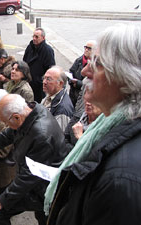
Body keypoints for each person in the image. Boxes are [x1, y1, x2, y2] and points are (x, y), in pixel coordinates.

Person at [45, 24, 141, 225]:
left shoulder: (120, 179)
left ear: (126, 76)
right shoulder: (112, 129)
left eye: (96, 63)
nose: (85, 71)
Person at [0, 94, 66, 225]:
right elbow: (6, 136)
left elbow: (29, 176)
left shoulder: (41, 135)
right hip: (35, 181)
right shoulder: (30, 112)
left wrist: (2, 200)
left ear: (16, 117)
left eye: (7, 122)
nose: (6, 126)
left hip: (43, 188)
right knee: (43, 217)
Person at [23, 27, 55, 103]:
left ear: (43, 38)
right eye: (33, 36)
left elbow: (50, 68)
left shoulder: (48, 50)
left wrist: (42, 80)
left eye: (36, 37)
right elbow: (24, 61)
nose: (34, 38)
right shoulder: (30, 47)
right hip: (28, 81)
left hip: (39, 85)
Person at [41, 66, 74, 132]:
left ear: (60, 83)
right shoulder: (50, 95)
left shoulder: (63, 108)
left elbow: (58, 136)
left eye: (48, 79)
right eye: (44, 78)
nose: (44, 82)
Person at [69, 40, 96, 107]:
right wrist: (71, 81)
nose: (86, 50)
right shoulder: (79, 60)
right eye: (85, 47)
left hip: (82, 98)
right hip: (73, 94)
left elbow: (92, 85)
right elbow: (71, 72)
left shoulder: (95, 65)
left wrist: (78, 83)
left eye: (89, 48)